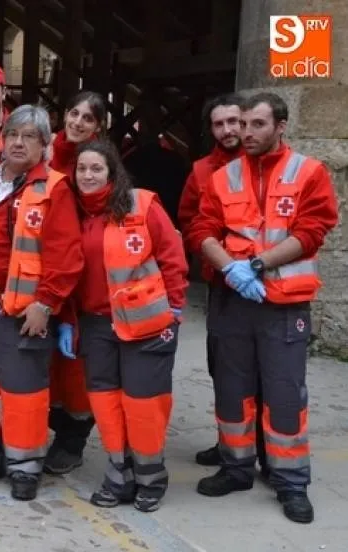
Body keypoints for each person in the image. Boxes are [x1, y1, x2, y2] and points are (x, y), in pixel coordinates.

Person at [189, 92, 339, 524]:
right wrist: (230, 270)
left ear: (280, 126)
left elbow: (313, 229)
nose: (245, 133)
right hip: (236, 300)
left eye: (256, 125)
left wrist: (255, 264)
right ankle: (236, 467)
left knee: (284, 395)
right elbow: (202, 227)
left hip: (283, 305)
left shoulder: (308, 172)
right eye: (243, 124)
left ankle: (290, 481)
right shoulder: (223, 176)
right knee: (232, 390)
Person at [0, 105, 83, 501]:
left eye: (30, 136)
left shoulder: (54, 188)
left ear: (44, 144)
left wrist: (47, 301)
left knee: (24, 394)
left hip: (22, 312)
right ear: (1, 141)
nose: (19, 143)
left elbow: (67, 254)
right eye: (13, 135)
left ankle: (25, 467)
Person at [58, 139, 187, 513]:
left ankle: (150, 476)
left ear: (113, 172)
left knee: (144, 403)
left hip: (146, 322)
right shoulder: (73, 214)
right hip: (96, 323)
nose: (87, 175)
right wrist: (68, 321)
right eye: (81, 168)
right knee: (106, 402)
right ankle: (119, 471)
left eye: (96, 168)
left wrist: (174, 309)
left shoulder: (142, 204)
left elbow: (172, 257)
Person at [177, 94, 255, 468]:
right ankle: (230, 444)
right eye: (219, 123)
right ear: (211, 129)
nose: (228, 130)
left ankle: (269, 452)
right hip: (222, 283)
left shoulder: (266, 165)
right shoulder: (202, 171)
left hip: (267, 281)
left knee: (268, 370)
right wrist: (222, 259)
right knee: (223, 367)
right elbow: (190, 221)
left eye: (234, 121)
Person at [44, 90, 107, 476]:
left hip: (86, 273)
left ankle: (73, 438)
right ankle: (57, 428)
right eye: (74, 112)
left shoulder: (98, 163)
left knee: (78, 368)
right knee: (52, 362)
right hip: (47, 268)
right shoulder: (48, 150)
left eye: (88, 117)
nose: (78, 122)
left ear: (98, 126)